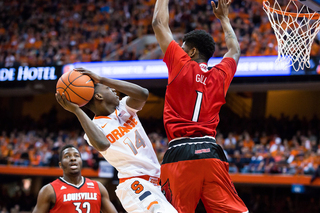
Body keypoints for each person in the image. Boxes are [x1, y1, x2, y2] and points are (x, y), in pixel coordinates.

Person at [152, 0, 248, 212]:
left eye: (183, 47)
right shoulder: (220, 75)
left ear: (192, 52)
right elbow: (235, 49)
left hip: (179, 153)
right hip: (210, 153)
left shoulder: (181, 64)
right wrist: (224, 18)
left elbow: (158, 23)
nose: (180, 48)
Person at [55, 68, 177, 213]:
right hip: (134, 182)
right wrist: (77, 110)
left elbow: (143, 94)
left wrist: (102, 80)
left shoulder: (124, 107)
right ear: (99, 96)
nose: (114, 89)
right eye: (108, 88)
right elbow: (103, 144)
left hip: (158, 180)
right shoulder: (94, 128)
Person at [32, 144, 117, 213]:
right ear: (60, 164)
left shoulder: (98, 187)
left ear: (81, 161)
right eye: (67, 156)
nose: (73, 158)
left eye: (76, 156)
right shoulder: (48, 190)